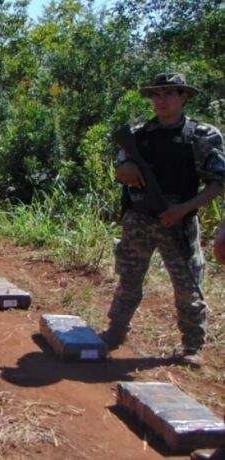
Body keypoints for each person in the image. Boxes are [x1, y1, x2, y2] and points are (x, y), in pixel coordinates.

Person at [101, 73, 225, 367]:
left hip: (178, 222)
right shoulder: (138, 135)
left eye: (169, 94)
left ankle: (192, 346)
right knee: (128, 280)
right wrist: (126, 167)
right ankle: (116, 332)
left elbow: (218, 183)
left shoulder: (202, 136)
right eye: (156, 95)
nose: (161, 100)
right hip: (139, 220)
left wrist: (182, 210)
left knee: (188, 286)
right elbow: (119, 169)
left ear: (184, 97)